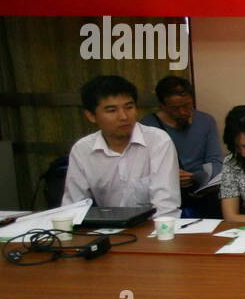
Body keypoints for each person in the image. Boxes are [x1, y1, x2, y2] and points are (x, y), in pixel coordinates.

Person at [63, 75, 180, 215]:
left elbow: (166, 206)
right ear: (91, 116)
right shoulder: (82, 149)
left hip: (152, 229)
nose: (124, 117)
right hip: (108, 229)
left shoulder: (158, 141)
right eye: (112, 110)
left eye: (129, 107)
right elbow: (74, 208)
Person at [140, 76, 224, 218]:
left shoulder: (205, 121)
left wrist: (195, 177)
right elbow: (141, 168)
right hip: (164, 190)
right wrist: (170, 175)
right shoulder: (148, 126)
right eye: (175, 108)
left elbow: (215, 160)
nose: (183, 112)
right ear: (163, 106)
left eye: (187, 105)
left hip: (200, 189)